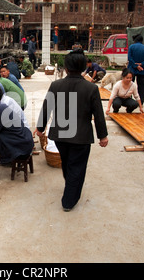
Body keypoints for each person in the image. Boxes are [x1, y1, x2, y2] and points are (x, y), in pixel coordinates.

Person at [35, 49, 108, 211]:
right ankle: (68, 200)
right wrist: (103, 136)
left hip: (60, 135)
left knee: (68, 163)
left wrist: (40, 128)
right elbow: (98, 114)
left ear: (66, 68)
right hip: (81, 136)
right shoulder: (91, 88)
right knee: (77, 166)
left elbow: (46, 108)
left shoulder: (56, 85)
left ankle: (70, 187)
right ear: (83, 67)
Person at [128, 34, 144, 104]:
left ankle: (129, 100)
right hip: (142, 70)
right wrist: (141, 64)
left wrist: (135, 65)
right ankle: (141, 101)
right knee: (141, 86)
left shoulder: (131, 47)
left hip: (132, 69)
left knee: (130, 85)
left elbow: (130, 58)